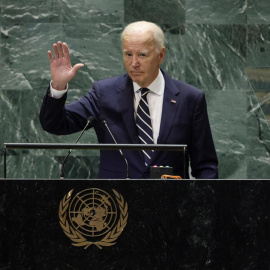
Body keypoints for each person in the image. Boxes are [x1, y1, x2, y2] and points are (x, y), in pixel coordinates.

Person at [39, 21, 218, 179]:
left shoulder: (190, 99)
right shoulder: (104, 93)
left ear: (161, 55)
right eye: (128, 54)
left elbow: (205, 166)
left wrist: (200, 210)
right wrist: (58, 85)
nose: (134, 63)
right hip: (115, 207)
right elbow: (55, 124)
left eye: (142, 55)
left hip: (171, 206)